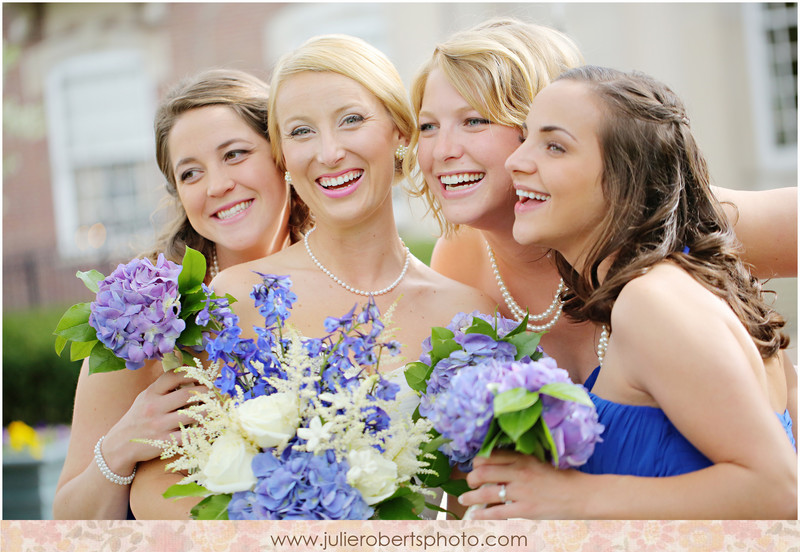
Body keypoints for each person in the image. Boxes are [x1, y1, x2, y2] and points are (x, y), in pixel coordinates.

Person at [128, 34, 496, 519]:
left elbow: (478, 503)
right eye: (301, 132)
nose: (329, 152)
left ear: (401, 132)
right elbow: (159, 488)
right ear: (283, 157)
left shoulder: (472, 317)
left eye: (351, 120)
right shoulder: (236, 300)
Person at [459, 65, 797, 519]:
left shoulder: (653, 301)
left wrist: (569, 498)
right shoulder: (681, 286)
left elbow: (777, 490)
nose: (516, 161)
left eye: (554, 146)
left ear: (625, 179)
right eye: (526, 139)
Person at [408, 17, 798, 389]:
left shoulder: (671, 217)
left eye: (474, 121)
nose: (442, 151)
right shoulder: (460, 262)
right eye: (428, 126)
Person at [53, 69, 310, 519]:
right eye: (191, 173)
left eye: (235, 154)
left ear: (282, 156)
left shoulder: (337, 291)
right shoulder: (144, 321)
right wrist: (123, 443)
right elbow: (67, 524)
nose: (216, 186)